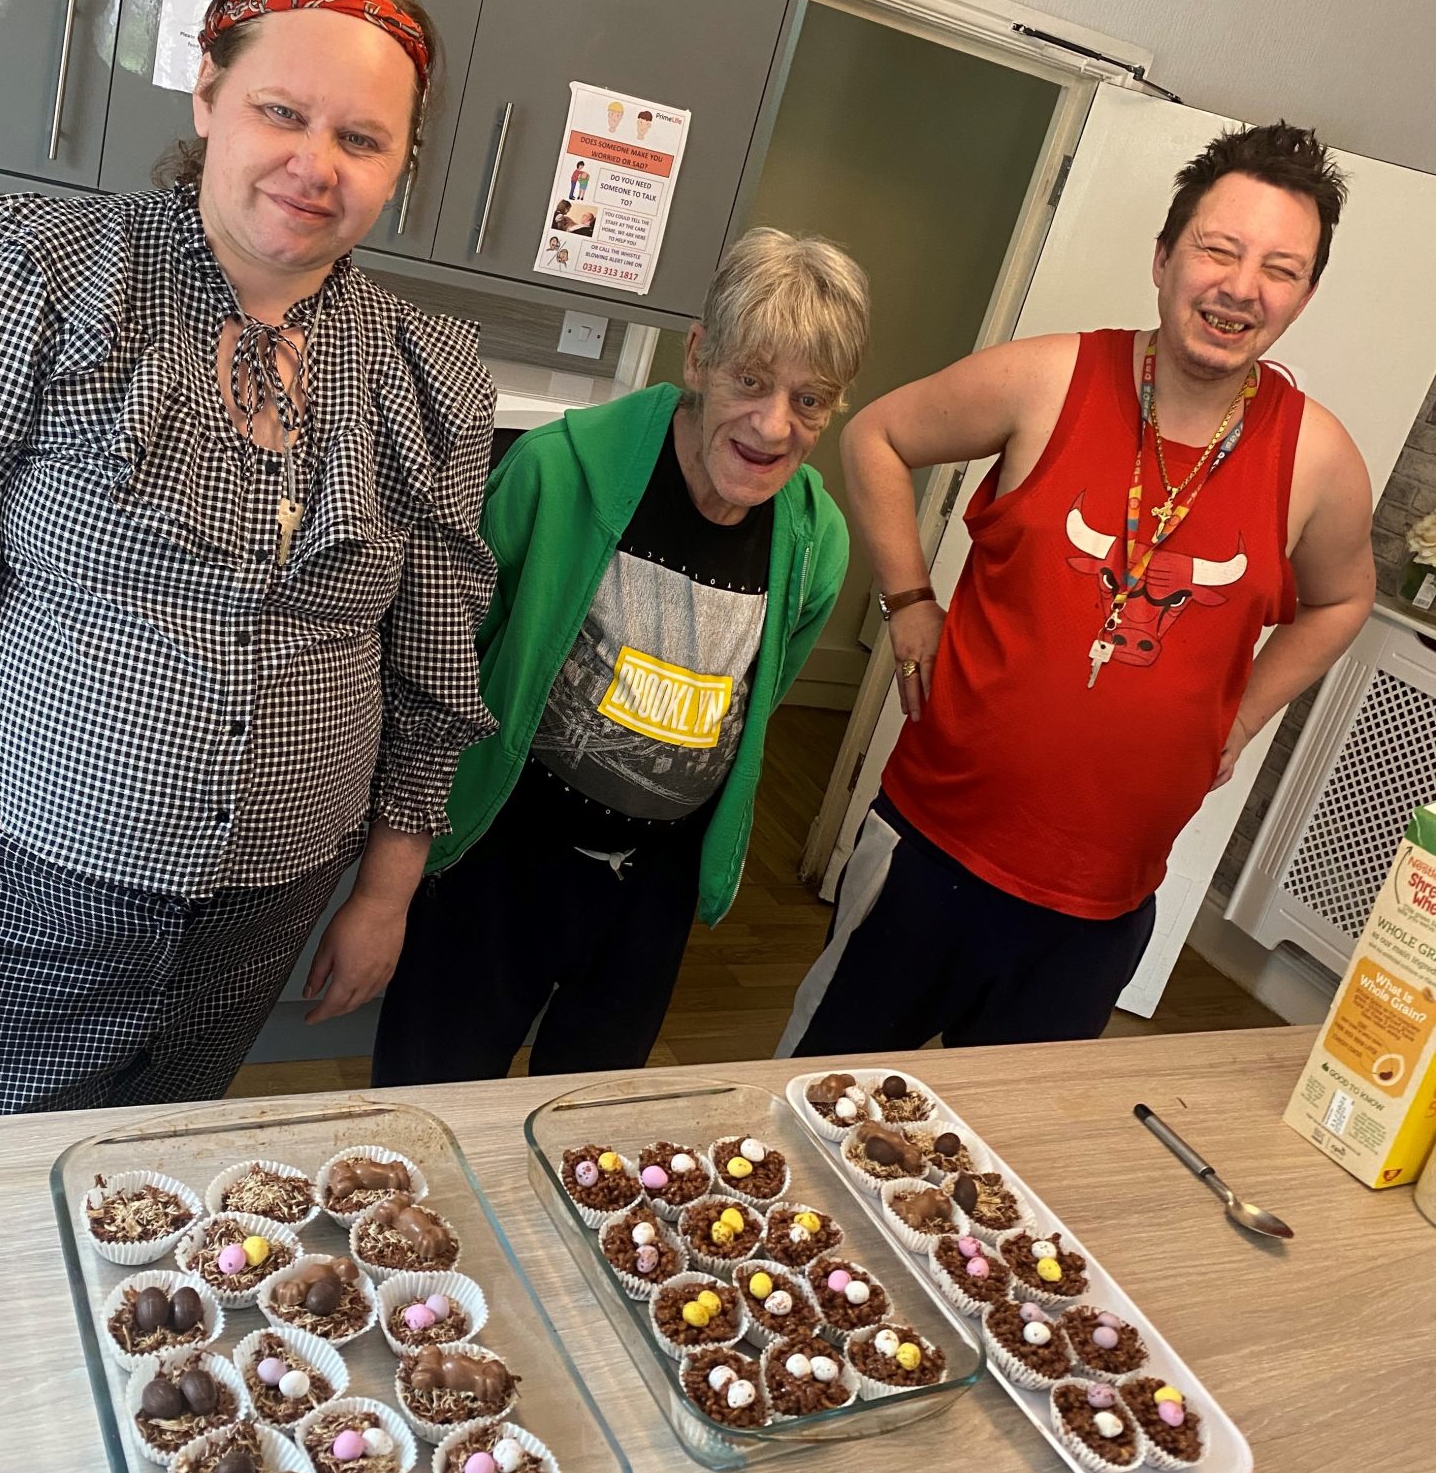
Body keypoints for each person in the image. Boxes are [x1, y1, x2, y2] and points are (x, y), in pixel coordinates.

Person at [0, 0, 497, 1118]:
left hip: (265, 914)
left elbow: (433, 659)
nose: (315, 165)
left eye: (362, 138)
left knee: (155, 1185)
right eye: (282, 111)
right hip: (11, 892)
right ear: (209, 93)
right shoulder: (39, 275)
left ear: (400, 166)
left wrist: (386, 892)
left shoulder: (430, 369)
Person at [785, 120, 1375, 1055]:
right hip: (931, 854)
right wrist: (907, 602)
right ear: (1164, 257)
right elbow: (876, 438)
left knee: (1000, 1143)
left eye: (1280, 269)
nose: (1241, 287)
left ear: (1303, 295)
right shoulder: (1047, 379)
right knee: (820, 1096)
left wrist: (1243, 716)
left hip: (1100, 912)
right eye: (1219, 250)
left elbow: (1342, 600)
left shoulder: (1319, 460)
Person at [372, 228, 868, 1083]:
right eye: (750, 380)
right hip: (502, 859)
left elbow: (759, 696)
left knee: (593, 1121)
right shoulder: (554, 474)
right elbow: (447, 664)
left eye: (810, 399)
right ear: (700, 356)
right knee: (434, 1089)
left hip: (653, 888)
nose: (772, 425)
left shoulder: (816, 541)